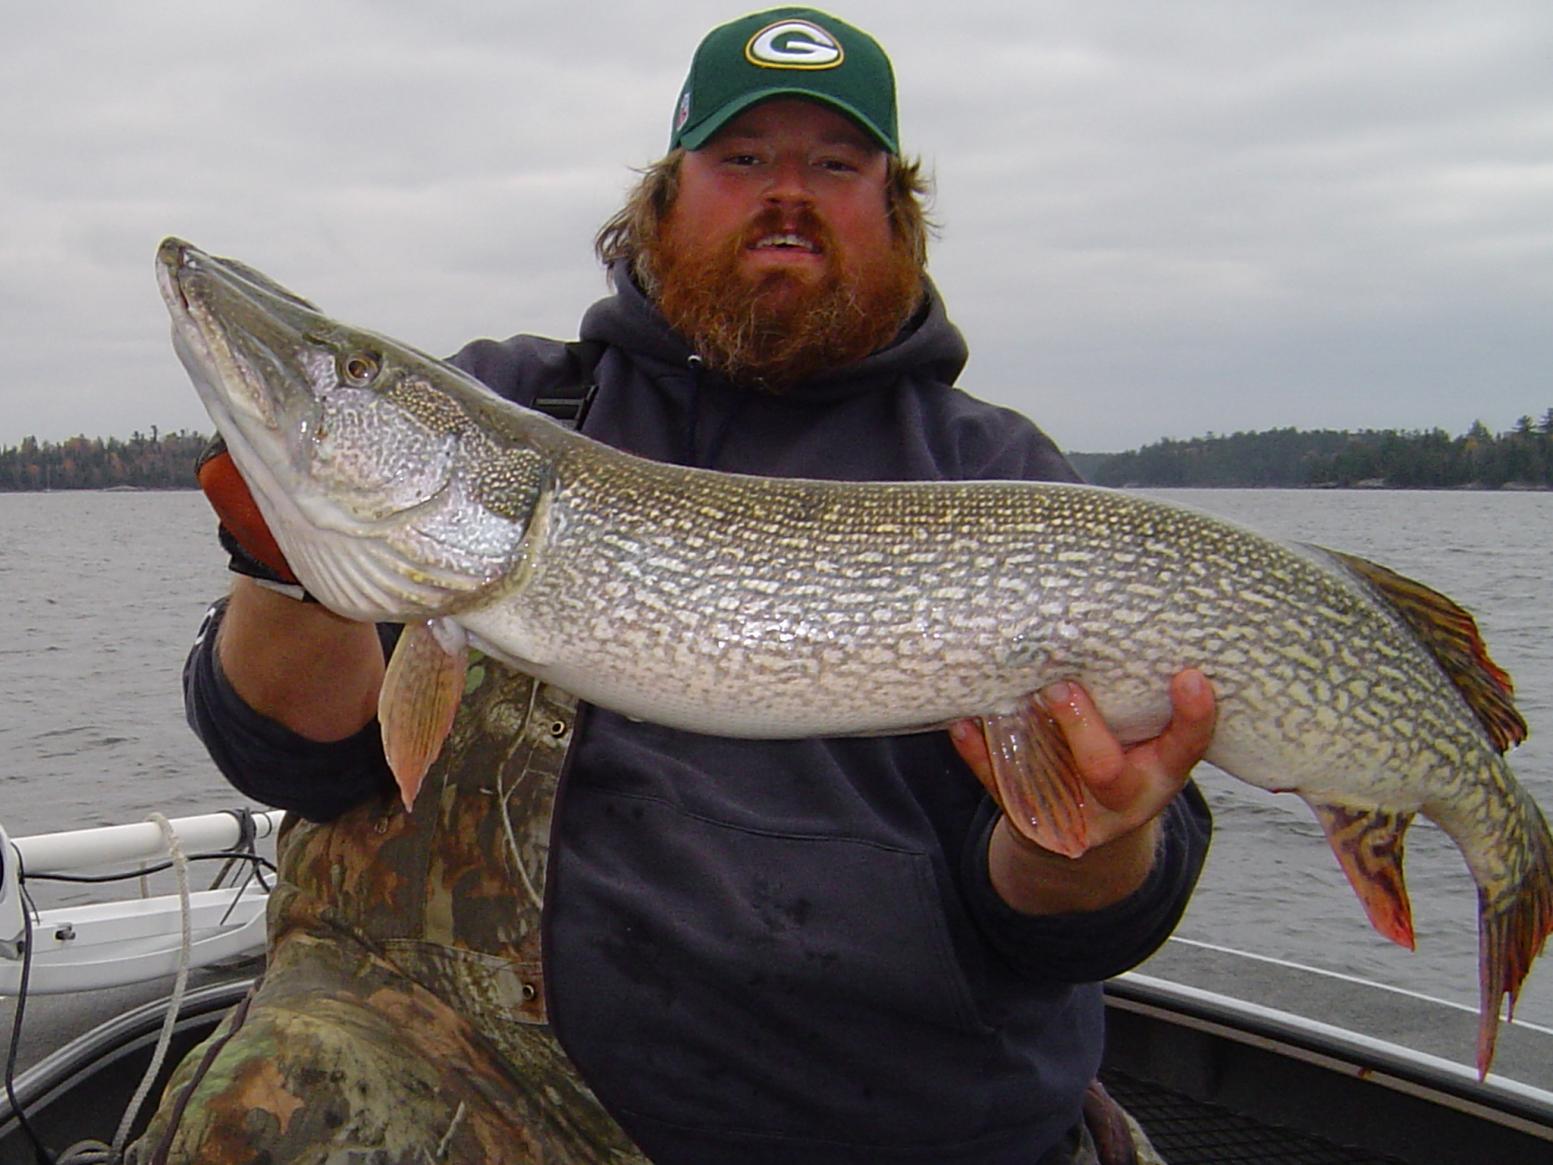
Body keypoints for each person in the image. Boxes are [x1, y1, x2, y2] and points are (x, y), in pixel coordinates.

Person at [131, 8, 1214, 1163]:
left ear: (895, 211)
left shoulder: (994, 482)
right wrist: (284, 565)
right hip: (472, 1087)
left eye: (834, 165)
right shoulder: (516, 409)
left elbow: (1078, 924)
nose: (785, 194)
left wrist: (1086, 836)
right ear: (662, 196)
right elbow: (301, 761)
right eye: (741, 157)